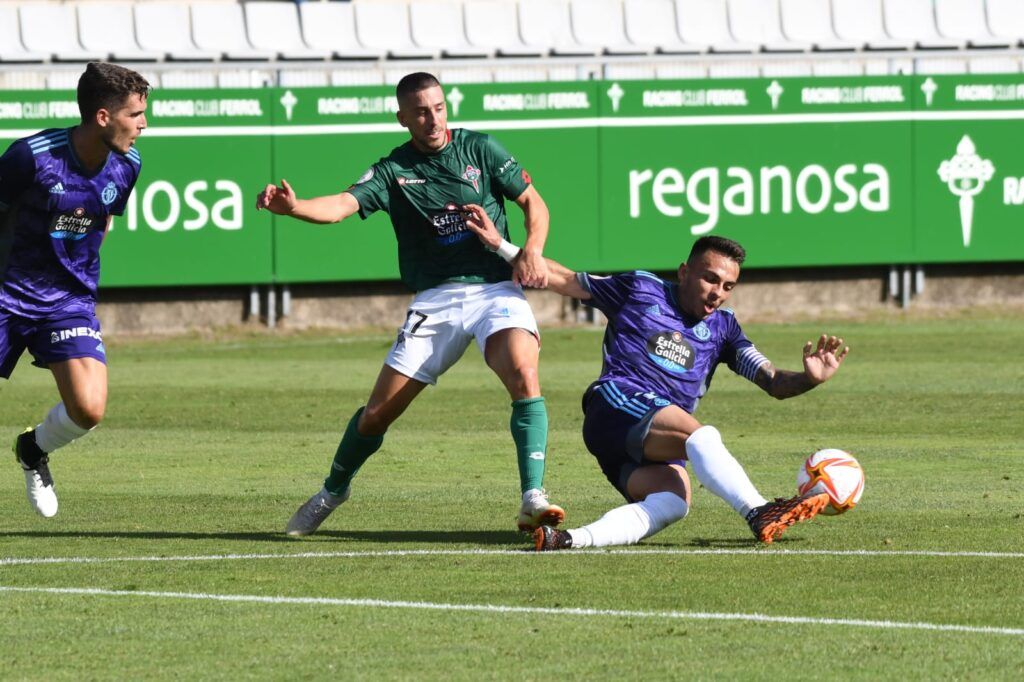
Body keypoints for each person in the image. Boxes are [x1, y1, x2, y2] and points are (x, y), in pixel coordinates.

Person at [256, 72, 564, 536]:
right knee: (379, 413)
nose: (433, 118)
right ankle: (333, 490)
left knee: (523, 370)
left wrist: (533, 249)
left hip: (494, 289)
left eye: (438, 107)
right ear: (402, 117)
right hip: (435, 299)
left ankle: (532, 496)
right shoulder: (392, 171)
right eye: (421, 111)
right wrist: (294, 207)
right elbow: (341, 205)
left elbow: (533, 203)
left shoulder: (480, 149)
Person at [461, 204, 849, 549]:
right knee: (700, 435)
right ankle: (758, 511)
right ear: (684, 271)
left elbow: (772, 381)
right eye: (710, 279)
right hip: (615, 404)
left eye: (728, 286)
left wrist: (809, 378)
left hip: (643, 441)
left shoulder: (725, 330)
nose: (718, 293)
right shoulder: (640, 289)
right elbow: (562, 279)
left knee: (673, 500)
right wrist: (501, 245)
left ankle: (568, 540)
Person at [1, 63, 149, 517]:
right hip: (6, 293)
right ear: (103, 117)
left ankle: (32, 449)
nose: (144, 124)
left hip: (67, 300)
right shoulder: (30, 156)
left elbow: (102, 220)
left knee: (89, 408)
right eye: (135, 114)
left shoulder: (128, 165)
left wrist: (75, 276)